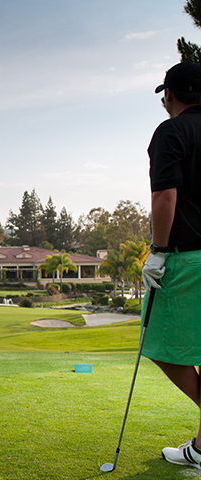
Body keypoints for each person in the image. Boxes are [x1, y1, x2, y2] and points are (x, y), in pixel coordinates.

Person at [141, 61, 201, 468]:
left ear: (170, 95)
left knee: (158, 343)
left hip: (188, 258)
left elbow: (165, 198)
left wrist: (158, 250)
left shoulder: (171, 131)